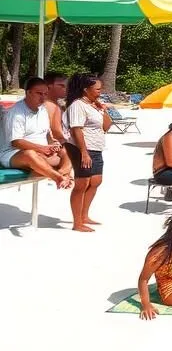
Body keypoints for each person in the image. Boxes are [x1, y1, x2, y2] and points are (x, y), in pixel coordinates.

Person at [1, 77, 73, 189]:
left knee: (70, 149)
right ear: (28, 92)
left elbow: (46, 133)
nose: (43, 97)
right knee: (30, 154)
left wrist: (52, 144)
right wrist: (42, 149)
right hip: (15, 154)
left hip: (42, 152)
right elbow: (17, 142)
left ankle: (63, 173)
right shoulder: (16, 112)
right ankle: (58, 178)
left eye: (45, 94)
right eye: (39, 93)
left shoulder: (43, 110)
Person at [63, 73, 111, 232]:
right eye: (97, 89)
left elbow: (106, 126)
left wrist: (103, 110)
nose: (100, 92)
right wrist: (84, 153)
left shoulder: (93, 105)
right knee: (82, 183)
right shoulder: (78, 105)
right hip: (81, 148)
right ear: (85, 90)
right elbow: (76, 129)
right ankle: (77, 223)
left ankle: (85, 215)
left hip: (96, 148)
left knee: (96, 181)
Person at [43, 72, 69, 145]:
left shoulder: (56, 105)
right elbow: (56, 131)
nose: (65, 89)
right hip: (55, 147)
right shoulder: (49, 105)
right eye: (61, 85)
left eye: (66, 86)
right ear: (49, 86)